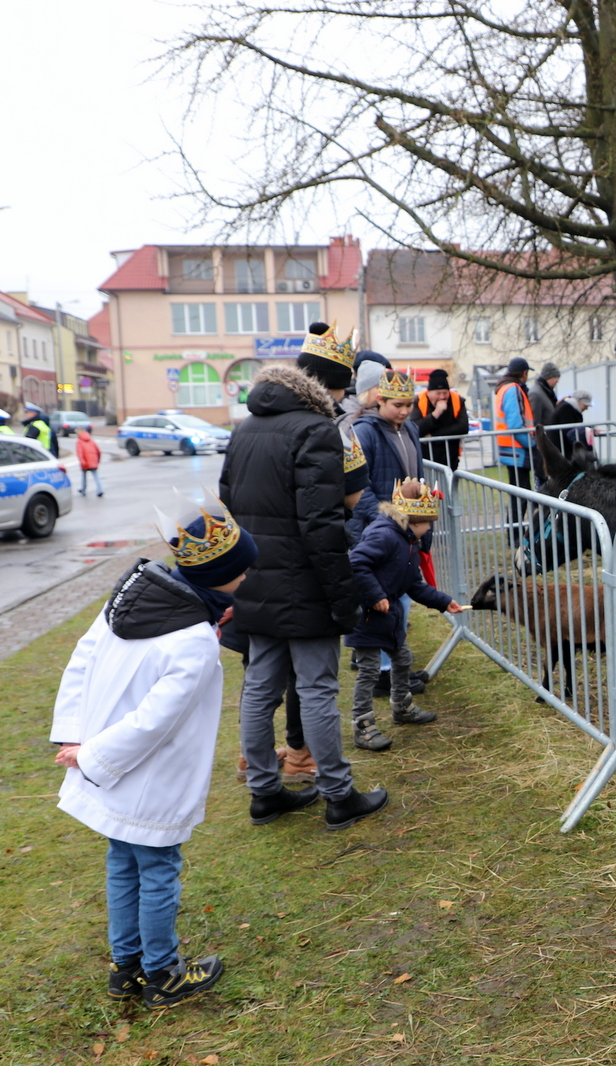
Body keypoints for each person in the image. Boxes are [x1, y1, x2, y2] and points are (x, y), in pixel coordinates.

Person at [49, 495, 258, 1009]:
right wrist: (91, 756)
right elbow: (153, 722)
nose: (248, 578)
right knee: (158, 866)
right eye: (242, 571)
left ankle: (127, 967)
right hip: (145, 774)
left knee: (123, 861)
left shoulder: (131, 599)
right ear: (218, 576)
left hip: (106, 760)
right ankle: (161, 971)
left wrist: (76, 738)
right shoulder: (192, 640)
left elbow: (83, 658)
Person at [219, 325, 390, 833]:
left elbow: (228, 502)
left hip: (255, 579)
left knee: (259, 688)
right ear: (330, 389)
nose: (343, 400)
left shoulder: (246, 427)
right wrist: (345, 597)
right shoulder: (317, 430)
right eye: (342, 392)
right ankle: (338, 794)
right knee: (316, 688)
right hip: (305, 582)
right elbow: (322, 525)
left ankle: (264, 793)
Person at [347, 479, 459, 749]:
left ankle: (401, 707)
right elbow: (356, 562)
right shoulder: (384, 535)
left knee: (403, 657)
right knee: (370, 670)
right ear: (414, 521)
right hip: (368, 616)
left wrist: (444, 602)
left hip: (390, 616)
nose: (429, 528)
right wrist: (375, 596)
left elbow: (413, 584)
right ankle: (362, 725)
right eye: (427, 523)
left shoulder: (408, 543)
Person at [350, 368, 432, 698]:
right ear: (379, 399)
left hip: (406, 533)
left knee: (402, 603)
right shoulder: (364, 431)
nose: (404, 411)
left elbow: (418, 477)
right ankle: (383, 672)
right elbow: (359, 485)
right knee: (383, 604)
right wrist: (389, 519)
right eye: (398, 404)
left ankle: (396, 671)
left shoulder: (409, 429)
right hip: (380, 532)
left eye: (409, 405)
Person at [494, 358, 535, 511]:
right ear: (524, 373)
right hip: (518, 450)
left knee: (520, 495)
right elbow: (516, 425)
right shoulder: (513, 389)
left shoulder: (504, 388)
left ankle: (515, 531)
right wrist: (532, 444)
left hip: (510, 449)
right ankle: (516, 533)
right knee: (521, 497)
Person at [413, 368, 470, 470]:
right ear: (429, 392)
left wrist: (434, 436)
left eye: (445, 393)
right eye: (438, 393)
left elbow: (463, 427)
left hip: (450, 457)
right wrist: (436, 414)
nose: (442, 397)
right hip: (425, 459)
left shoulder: (458, 400)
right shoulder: (417, 401)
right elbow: (415, 428)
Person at [527, 361, 561, 473]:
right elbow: (535, 420)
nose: (557, 380)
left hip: (548, 442)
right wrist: (539, 442)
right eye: (556, 377)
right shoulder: (536, 393)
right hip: (543, 444)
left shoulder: (546, 392)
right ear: (549, 377)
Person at [75, 429, 103, 497]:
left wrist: (82, 461)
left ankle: (83, 490)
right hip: (93, 460)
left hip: (85, 461)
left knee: (84, 476)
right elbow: (98, 451)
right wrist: (98, 460)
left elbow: (80, 453)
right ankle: (100, 489)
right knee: (96, 476)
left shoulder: (79, 442)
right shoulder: (91, 440)